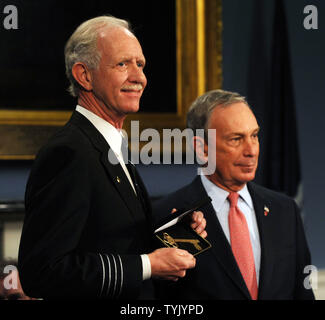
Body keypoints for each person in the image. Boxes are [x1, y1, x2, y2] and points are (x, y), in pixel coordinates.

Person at [18, 16, 206, 299]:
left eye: (140, 64)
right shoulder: (69, 152)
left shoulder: (109, 146)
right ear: (85, 76)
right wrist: (147, 265)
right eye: (122, 64)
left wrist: (177, 237)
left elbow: (114, 241)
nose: (138, 77)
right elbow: (43, 272)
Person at [154, 89, 315, 300]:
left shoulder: (285, 210)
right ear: (202, 148)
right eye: (236, 139)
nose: (251, 150)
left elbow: (303, 294)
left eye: (254, 136)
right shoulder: (168, 215)